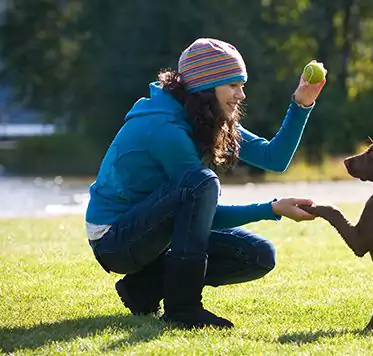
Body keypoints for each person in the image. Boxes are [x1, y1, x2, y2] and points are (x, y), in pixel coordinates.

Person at [85, 38, 326, 329]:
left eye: (241, 84)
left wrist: (302, 103)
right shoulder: (166, 128)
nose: (242, 94)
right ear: (205, 88)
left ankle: (144, 288)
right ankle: (183, 309)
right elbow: (202, 209)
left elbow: (273, 158)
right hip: (115, 239)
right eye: (233, 85)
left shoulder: (203, 115)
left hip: (153, 232)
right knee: (202, 183)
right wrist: (271, 208)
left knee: (258, 256)